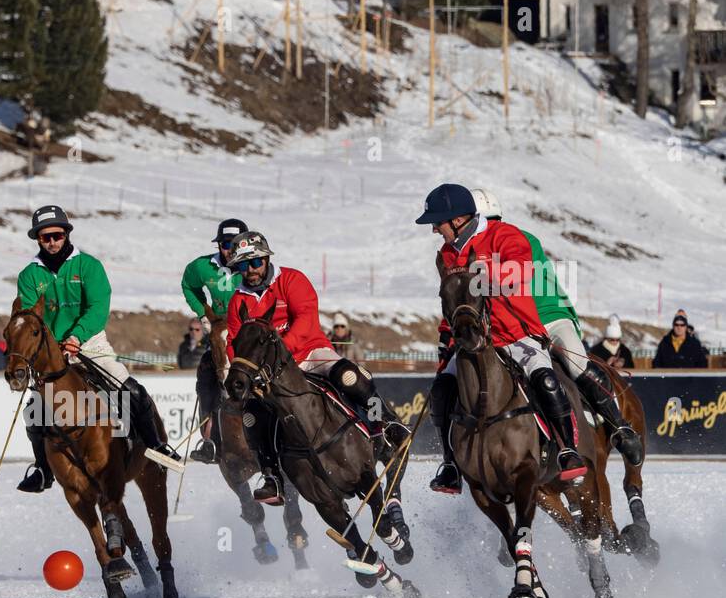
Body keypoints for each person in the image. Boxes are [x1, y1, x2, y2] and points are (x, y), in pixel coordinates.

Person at [416, 183, 585, 494]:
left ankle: (566, 450)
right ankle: (450, 464)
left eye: (437, 223)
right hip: (474, 342)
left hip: (517, 334)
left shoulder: (506, 236)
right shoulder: (445, 255)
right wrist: (447, 338)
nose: (435, 231)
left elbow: (520, 273)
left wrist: (478, 278)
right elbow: (453, 303)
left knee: (546, 379)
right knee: (441, 388)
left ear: (456, 220)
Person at [15, 204, 182, 493]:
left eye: (57, 235)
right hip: (52, 353)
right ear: (38, 240)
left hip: (90, 344)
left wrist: (77, 337)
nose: (52, 242)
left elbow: (98, 307)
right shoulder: (30, 275)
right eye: (45, 237)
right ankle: (43, 469)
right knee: (33, 411)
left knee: (132, 391)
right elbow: (32, 320)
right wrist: (53, 346)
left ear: (66, 234)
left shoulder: (88, 266)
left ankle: (156, 446)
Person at [471, 188, 642, 466]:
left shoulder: (521, 239)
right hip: (512, 328)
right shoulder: (473, 250)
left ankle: (620, 426)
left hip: (549, 317)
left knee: (575, 364)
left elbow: (510, 282)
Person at [225, 230, 394, 505]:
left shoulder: (291, 279)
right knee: (252, 415)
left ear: (266, 260)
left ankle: (384, 424)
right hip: (269, 372)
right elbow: (234, 342)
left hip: (309, 351)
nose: (250, 270)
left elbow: (305, 317)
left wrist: (284, 351)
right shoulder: (238, 300)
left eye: (255, 263)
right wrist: (244, 372)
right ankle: (272, 476)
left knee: (350, 377)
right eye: (243, 265)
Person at [180, 218, 246, 464]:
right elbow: (188, 285)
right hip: (219, 337)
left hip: (249, 339)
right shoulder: (202, 266)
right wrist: (203, 314)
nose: (230, 249)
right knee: (206, 380)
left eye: (236, 243)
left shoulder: (254, 265)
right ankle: (210, 441)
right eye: (226, 243)